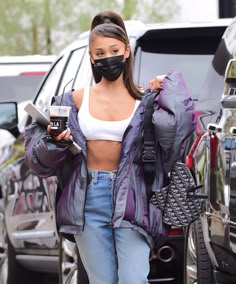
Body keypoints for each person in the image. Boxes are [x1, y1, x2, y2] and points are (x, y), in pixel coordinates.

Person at [24, 11, 195, 284]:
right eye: (100, 53)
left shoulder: (146, 101)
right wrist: (56, 141)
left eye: (114, 50)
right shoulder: (74, 100)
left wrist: (169, 87)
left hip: (135, 196)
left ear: (127, 51)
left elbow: (180, 135)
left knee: (133, 279)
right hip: (88, 197)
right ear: (91, 57)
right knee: (102, 281)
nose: (107, 58)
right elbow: (37, 159)